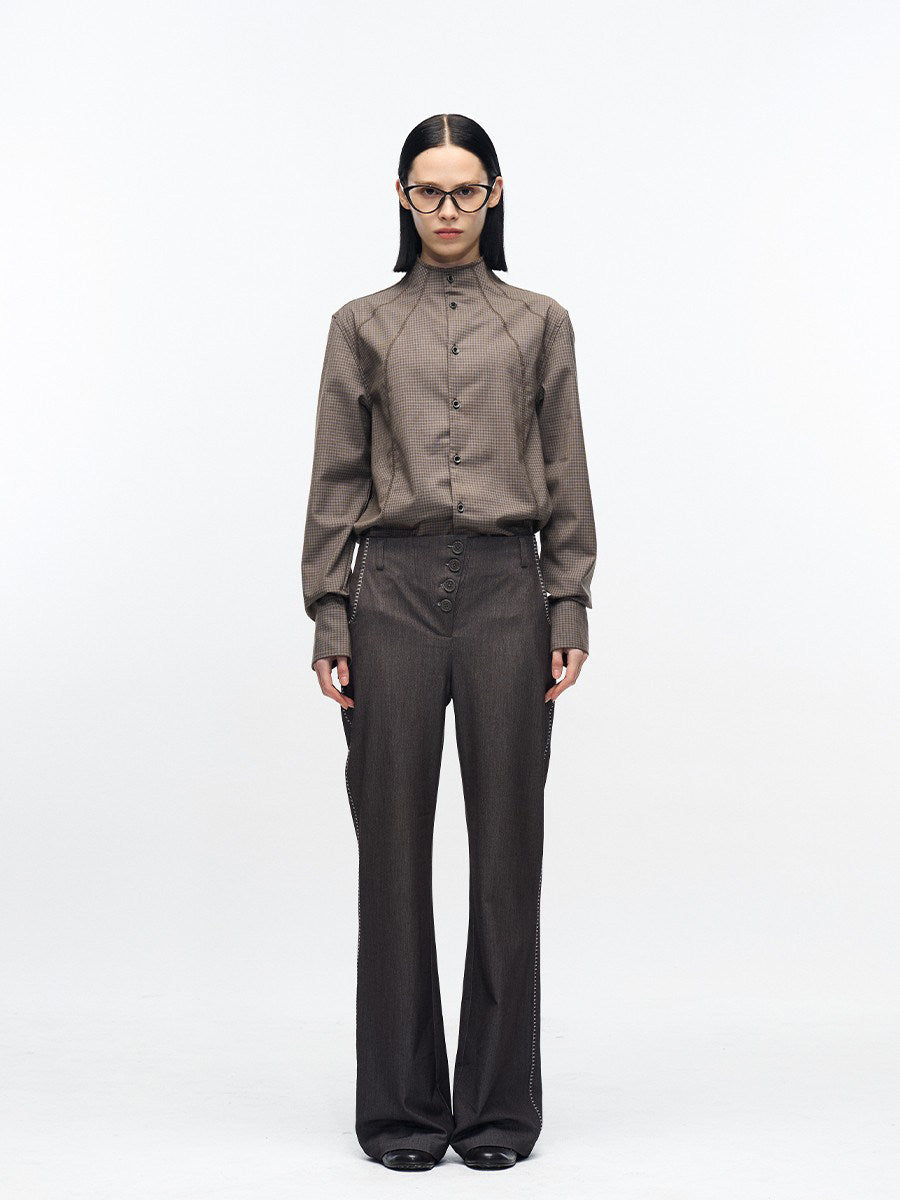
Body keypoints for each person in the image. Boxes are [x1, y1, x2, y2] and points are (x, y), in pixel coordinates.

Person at [300, 113, 597, 1171]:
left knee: (508, 853)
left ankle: (498, 1113)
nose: (447, 209)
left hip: (509, 593)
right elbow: (337, 475)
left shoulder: (540, 323)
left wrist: (569, 602)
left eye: (466, 190)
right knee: (391, 853)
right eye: (428, 191)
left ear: (495, 193)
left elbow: (564, 466)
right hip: (390, 594)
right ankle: (400, 1112)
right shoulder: (363, 325)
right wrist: (329, 609)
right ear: (402, 198)